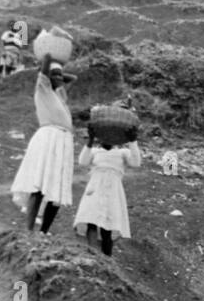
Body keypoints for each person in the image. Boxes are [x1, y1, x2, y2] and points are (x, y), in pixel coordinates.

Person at [10, 53, 76, 234]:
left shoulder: (59, 94)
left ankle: (44, 231)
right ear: (46, 76)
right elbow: (46, 70)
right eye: (53, 75)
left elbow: (73, 78)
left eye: (59, 76)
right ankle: (29, 228)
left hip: (63, 141)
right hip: (49, 137)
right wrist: (49, 56)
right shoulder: (42, 88)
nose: (58, 79)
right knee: (38, 185)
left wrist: (59, 75)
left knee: (57, 190)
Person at [73, 124, 141, 256]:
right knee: (91, 219)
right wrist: (90, 141)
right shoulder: (95, 151)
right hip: (95, 188)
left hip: (113, 189)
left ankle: (106, 257)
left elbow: (136, 163)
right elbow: (82, 161)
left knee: (108, 224)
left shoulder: (122, 153)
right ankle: (92, 253)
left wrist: (133, 141)